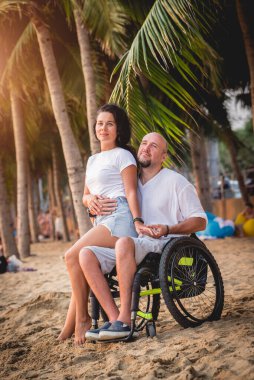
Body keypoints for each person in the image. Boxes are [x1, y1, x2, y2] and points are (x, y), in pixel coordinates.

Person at [80, 132, 207, 341]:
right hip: (131, 244)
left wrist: (167, 228)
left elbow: (200, 221)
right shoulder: (128, 182)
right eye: (144, 143)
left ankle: (125, 319)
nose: (146, 148)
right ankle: (113, 320)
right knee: (86, 255)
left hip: (163, 243)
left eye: (154, 146)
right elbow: (107, 208)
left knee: (123, 244)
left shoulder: (176, 182)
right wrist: (92, 206)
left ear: (164, 156)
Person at [58, 104, 144, 344]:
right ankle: (115, 320)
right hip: (103, 221)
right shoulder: (92, 160)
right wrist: (90, 200)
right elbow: (86, 194)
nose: (103, 128)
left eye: (109, 124)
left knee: (70, 256)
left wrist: (137, 220)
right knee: (80, 258)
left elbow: (130, 191)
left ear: (118, 129)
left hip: (120, 218)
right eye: (99, 123)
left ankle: (82, 319)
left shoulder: (123, 155)